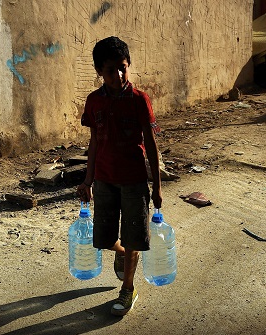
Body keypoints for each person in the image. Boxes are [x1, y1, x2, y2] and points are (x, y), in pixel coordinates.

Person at [76, 36, 162, 316]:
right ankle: (123, 253)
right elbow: (94, 142)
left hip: (134, 180)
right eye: (111, 70)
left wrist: (157, 185)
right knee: (103, 238)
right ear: (100, 70)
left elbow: (150, 143)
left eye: (123, 67)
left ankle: (128, 289)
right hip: (104, 179)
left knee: (134, 237)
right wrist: (87, 181)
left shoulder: (139, 100)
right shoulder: (94, 102)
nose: (119, 75)